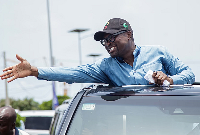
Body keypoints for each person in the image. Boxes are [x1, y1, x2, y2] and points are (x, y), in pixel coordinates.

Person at [0, 18, 195, 86]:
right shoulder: (106, 67)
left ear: (128, 34)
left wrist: (169, 80)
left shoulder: (159, 52)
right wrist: (35, 71)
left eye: (111, 37)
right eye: (104, 40)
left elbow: (189, 74)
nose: (107, 43)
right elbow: (74, 73)